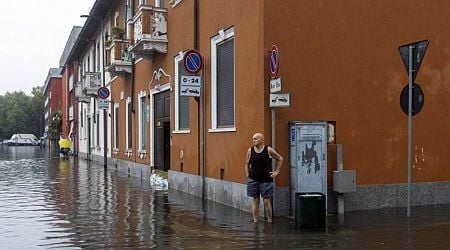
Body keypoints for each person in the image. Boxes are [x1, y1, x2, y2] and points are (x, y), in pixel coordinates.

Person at [245, 132, 283, 223]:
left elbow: (280, 158)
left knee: (266, 201)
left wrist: (276, 171)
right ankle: (255, 221)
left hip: (266, 180)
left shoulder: (268, 150)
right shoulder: (250, 150)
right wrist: (247, 174)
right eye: (253, 139)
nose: (253, 141)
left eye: (255, 139)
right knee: (255, 200)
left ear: (261, 140)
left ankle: (269, 221)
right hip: (253, 179)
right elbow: (246, 163)